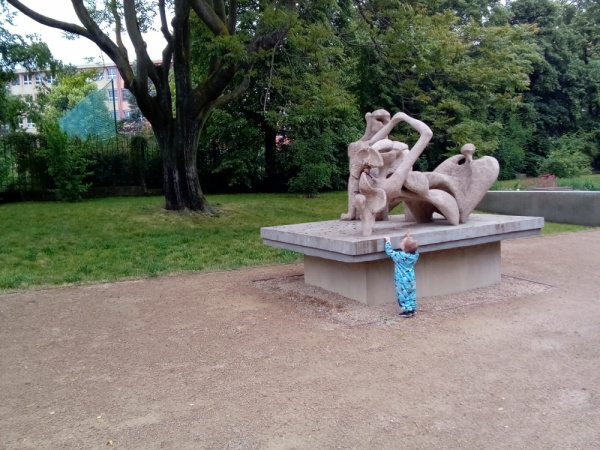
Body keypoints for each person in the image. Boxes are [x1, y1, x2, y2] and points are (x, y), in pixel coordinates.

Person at [384, 231, 419, 317]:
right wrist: (408, 238)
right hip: (411, 279)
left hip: (402, 280)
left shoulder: (400, 256)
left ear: (403, 247)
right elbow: (410, 247)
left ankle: (407, 310)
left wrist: (388, 241)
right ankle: (412, 308)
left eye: (402, 242)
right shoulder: (414, 256)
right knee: (411, 294)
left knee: (403, 295)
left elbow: (389, 252)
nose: (400, 243)